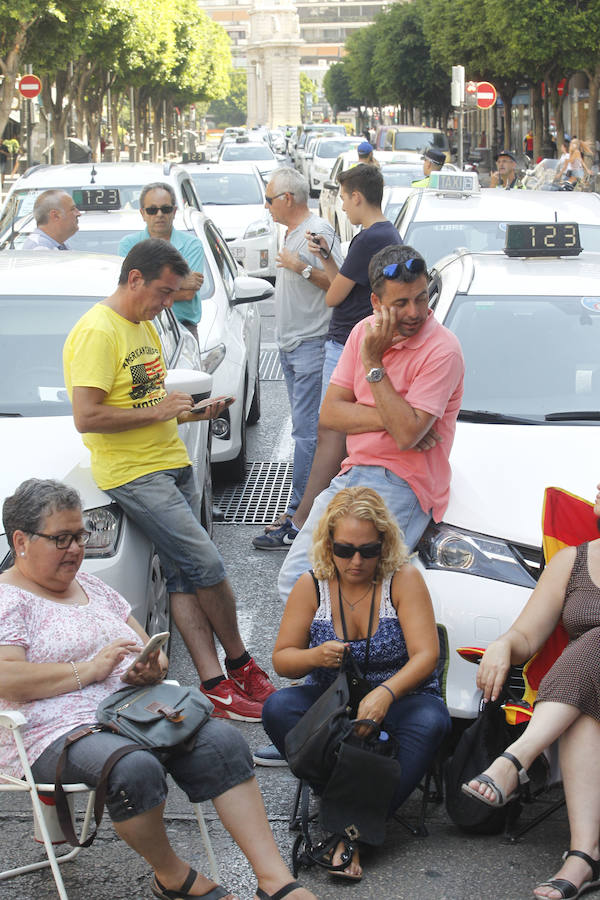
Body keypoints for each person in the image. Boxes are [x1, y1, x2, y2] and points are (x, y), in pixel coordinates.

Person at [0, 478, 316, 900]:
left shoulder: (91, 587)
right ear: (21, 540)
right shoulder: (8, 599)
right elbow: (7, 678)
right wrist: (90, 670)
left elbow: (149, 647)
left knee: (222, 742)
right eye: (62, 539)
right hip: (49, 729)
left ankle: (275, 879)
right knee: (133, 769)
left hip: (132, 710)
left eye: (79, 536)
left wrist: (149, 668)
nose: (76, 549)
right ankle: (173, 876)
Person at [63, 239, 274, 722]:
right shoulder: (99, 331)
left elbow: (141, 405)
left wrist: (192, 413)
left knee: (183, 576)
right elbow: (88, 415)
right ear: (134, 278)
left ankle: (215, 684)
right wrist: (161, 410)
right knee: (207, 563)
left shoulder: (144, 327)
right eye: (162, 293)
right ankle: (241, 664)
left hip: (169, 461)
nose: (166, 304)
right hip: (134, 474)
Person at [258, 487, 450, 877]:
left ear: (385, 544)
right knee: (278, 708)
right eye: (345, 550)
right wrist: (314, 656)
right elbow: (283, 660)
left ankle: (345, 833)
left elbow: (426, 655)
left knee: (432, 721)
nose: (356, 561)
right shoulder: (311, 584)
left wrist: (386, 692)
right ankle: (350, 820)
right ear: (328, 545)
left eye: (368, 550)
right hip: (336, 701)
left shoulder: (403, 579)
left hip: (402, 696)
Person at [277, 243, 464, 603]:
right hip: (352, 474)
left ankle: (347, 658)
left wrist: (375, 366)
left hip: (405, 484)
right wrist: (394, 419)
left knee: (354, 593)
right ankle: (326, 659)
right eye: (400, 303)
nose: (415, 312)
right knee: (296, 584)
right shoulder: (363, 332)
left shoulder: (443, 350)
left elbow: (408, 435)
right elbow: (331, 415)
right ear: (377, 303)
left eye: (421, 299)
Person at [462, 482, 600, 900]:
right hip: (590, 694)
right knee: (584, 713)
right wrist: (504, 644)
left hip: (583, 675)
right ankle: (584, 855)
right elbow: (527, 633)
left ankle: (515, 760)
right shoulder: (572, 562)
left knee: (594, 641)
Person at [254, 164, 401, 551]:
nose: (341, 205)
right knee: (329, 433)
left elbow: (335, 295)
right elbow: (345, 283)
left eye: (343, 196)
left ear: (356, 196)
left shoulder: (371, 237)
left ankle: (303, 518)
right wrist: (328, 264)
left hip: (337, 340)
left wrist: (303, 266)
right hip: (340, 340)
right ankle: (314, 515)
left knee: (325, 433)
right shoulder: (372, 236)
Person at [253, 167, 342, 547]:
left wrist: (300, 266)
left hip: (310, 344)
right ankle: (303, 512)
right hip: (291, 345)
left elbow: (340, 284)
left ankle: (298, 518)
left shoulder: (317, 232)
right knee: (303, 433)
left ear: (288, 199)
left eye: (270, 199)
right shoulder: (291, 231)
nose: (267, 206)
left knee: (307, 435)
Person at [118, 182, 204, 341]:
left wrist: (147, 286)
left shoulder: (193, 245)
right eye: (152, 210)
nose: (159, 214)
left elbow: (188, 293)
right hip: (139, 330)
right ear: (142, 213)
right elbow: (128, 292)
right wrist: (180, 282)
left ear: (174, 211)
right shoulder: (128, 245)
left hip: (183, 331)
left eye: (165, 209)